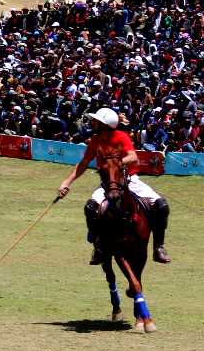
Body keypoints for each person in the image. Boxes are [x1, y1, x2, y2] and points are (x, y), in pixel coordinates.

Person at [57, 107, 170, 265]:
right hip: (106, 184)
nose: (92, 123)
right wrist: (66, 183)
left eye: (96, 121)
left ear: (104, 124)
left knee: (162, 206)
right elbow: (83, 164)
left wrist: (116, 165)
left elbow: (133, 156)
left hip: (129, 179)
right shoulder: (95, 141)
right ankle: (98, 247)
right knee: (90, 208)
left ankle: (158, 248)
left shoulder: (121, 137)